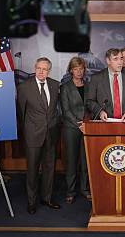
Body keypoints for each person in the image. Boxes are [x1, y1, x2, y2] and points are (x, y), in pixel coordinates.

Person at [17, 57, 61, 214]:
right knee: (33, 170)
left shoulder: (55, 85)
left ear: (49, 70)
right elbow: (21, 112)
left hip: (51, 133)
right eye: (39, 68)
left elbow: (56, 109)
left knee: (50, 168)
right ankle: (31, 201)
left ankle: (47, 198)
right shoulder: (24, 87)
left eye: (45, 69)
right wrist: (27, 130)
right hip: (33, 134)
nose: (41, 71)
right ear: (35, 68)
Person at [60, 57, 91, 204]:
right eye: (76, 69)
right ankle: (70, 191)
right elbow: (65, 111)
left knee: (86, 161)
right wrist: (79, 124)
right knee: (72, 161)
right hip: (71, 128)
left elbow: (91, 106)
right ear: (71, 70)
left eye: (81, 68)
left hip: (87, 127)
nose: (79, 71)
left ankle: (84, 189)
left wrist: (86, 123)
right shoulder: (65, 87)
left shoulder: (89, 85)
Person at [86, 48, 125, 123]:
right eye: (115, 59)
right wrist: (100, 112)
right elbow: (90, 101)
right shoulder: (96, 78)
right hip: (104, 123)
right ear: (108, 61)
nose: (120, 62)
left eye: (121, 58)